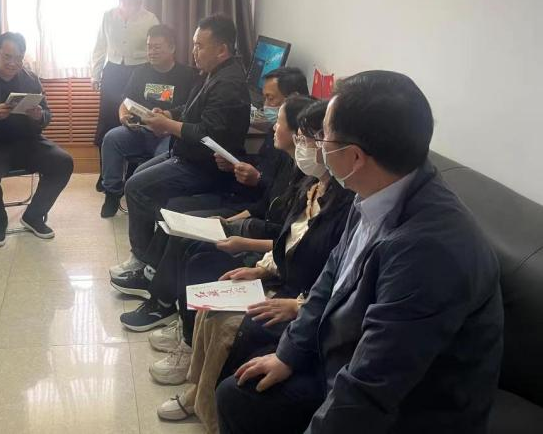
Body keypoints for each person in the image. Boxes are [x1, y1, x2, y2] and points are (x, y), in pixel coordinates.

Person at [216, 71, 504, 434]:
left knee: (248, 400)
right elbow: (332, 276)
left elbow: (374, 384)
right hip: (348, 354)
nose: (318, 147)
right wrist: (289, 354)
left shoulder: (429, 251)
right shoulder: (375, 187)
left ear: (354, 156)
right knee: (239, 393)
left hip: (412, 407)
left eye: (324, 137)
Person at [155, 101, 354, 434]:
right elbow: (287, 240)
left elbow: (336, 275)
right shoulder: (310, 186)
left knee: (233, 324)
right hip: (285, 278)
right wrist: (262, 269)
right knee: (210, 306)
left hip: (301, 296)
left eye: (309, 139)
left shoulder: (347, 205)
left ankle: (210, 408)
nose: (304, 145)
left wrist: (297, 304)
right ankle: (198, 391)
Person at [113, 95, 314, 329]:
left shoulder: (308, 178)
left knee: (188, 240)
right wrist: (227, 220)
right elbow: (264, 204)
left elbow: (289, 236)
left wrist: (240, 236)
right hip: (252, 218)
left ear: (298, 132)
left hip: (261, 232)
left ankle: (163, 305)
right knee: (180, 222)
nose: (273, 127)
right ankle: (156, 287)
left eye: (278, 122)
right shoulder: (284, 159)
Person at [108, 14, 250, 283]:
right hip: (185, 154)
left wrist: (168, 125)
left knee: (136, 187)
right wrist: (170, 114)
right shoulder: (212, 73)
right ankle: (152, 253)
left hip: (202, 166)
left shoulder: (228, 84)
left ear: (221, 50)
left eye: (200, 46)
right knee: (137, 177)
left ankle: (143, 261)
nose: (194, 51)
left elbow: (208, 133)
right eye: (194, 44)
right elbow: (191, 109)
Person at [0, 32, 74, 246]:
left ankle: (34, 216)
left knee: (63, 162)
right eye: (7, 57)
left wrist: (39, 116)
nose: (13, 64)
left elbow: (47, 114)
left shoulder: (30, 79)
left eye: (19, 58)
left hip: (27, 142)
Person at [164, 67, 310, 218]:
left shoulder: (299, 148)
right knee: (174, 205)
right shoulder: (277, 130)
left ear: (293, 98)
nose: (265, 105)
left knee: (179, 212)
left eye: (270, 98)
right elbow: (263, 162)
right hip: (237, 194)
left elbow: (275, 198)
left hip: (252, 206)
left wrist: (258, 179)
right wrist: (234, 163)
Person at [100, 24, 197, 217]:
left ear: (172, 48)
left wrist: (167, 116)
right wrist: (123, 116)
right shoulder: (141, 72)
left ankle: (152, 202)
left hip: (169, 135)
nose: (151, 52)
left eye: (157, 47)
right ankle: (112, 193)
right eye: (149, 47)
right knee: (111, 139)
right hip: (140, 130)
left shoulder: (188, 75)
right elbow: (126, 102)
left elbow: (191, 109)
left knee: (162, 161)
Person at [91, 0, 159, 153]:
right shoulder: (108, 16)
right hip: (112, 73)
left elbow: (157, 49)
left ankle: (135, 168)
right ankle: (106, 167)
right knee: (108, 119)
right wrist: (95, 75)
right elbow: (100, 47)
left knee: (136, 118)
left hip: (140, 72)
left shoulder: (150, 19)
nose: (131, 0)